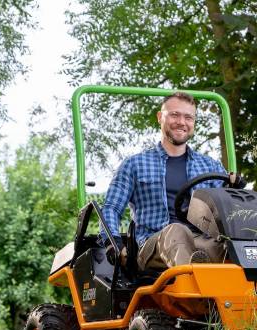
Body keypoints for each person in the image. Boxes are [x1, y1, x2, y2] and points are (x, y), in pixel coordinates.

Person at [101, 92, 246, 270]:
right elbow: (111, 208)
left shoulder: (210, 166)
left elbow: (227, 212)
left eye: (188, 117)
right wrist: (113, 242)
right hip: (154, 244)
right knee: (177, 230)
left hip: (201, 241)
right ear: (160, 117)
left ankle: (250, 282)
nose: (182, 122)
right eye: (174, 115)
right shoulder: (135, 164)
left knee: (230, 245)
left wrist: (234, 191)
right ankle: (194, 278)